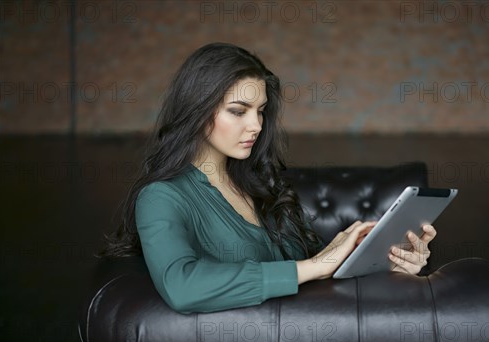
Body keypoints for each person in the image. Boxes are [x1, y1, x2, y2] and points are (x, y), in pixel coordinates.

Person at [97, 42, 437, 313]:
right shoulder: (162, 197)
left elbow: (314, 276)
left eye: (260, 111)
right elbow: (183, 287)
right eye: (238, 111)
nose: (257, 125)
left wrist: (386, 265)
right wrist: (314, 265)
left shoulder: (259, 184)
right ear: (197, 110)